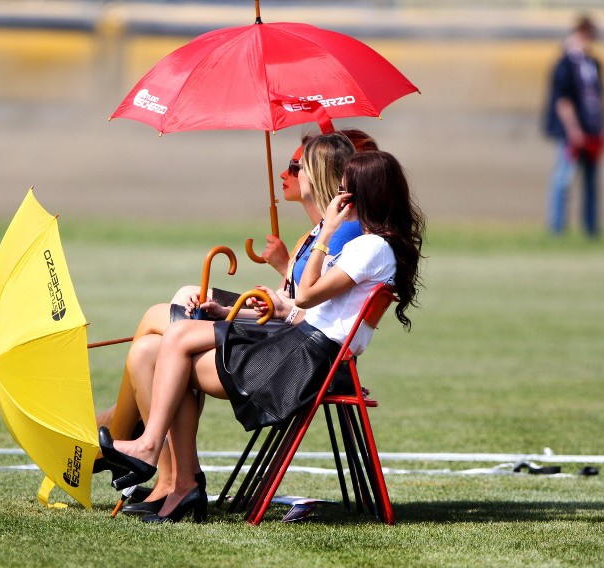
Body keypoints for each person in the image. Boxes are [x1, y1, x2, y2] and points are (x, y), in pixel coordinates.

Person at [99, 149, 426, 523]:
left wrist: (328, 232)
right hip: (302, 350)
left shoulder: (370, 247)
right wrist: (236, 311)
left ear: (364, 197)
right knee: (165, 343)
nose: (338, 199)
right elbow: (307, 306)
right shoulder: (373, 246)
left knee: (170, 343)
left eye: (345, 192)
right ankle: (173, 475)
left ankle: (152, 451)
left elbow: (304, 294)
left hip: (301, 363)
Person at [543, 14, 604, 237]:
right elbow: (563, 101)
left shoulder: (593, 63)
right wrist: (574, 130)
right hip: (572, 134)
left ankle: (591, 230)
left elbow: (597, 99)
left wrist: (600, 129)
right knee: (563, 179)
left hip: (592, 131)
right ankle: (556, 229)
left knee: (591, 181)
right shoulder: (565, 64)